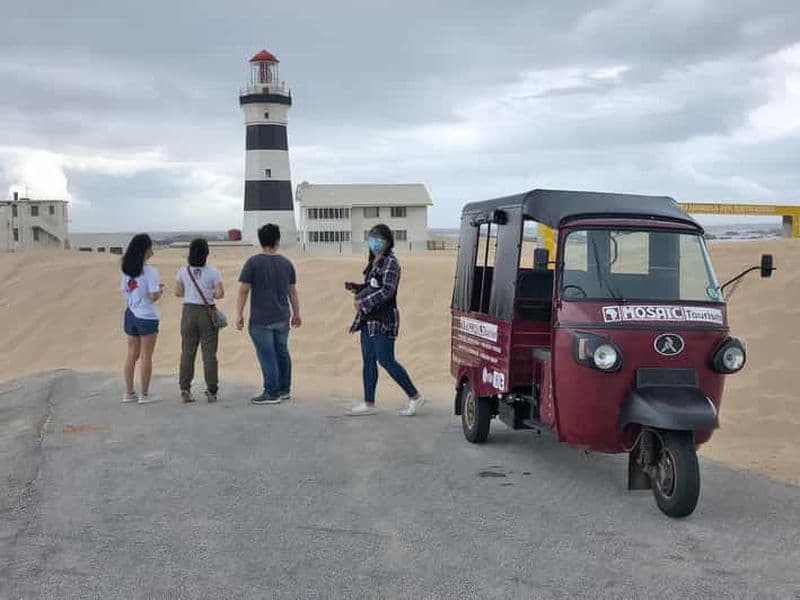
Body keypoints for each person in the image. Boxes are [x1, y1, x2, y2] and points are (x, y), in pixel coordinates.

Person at [346, 224, 424, 416]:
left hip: (384, 319)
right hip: (368, 318)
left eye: (378, 238)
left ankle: (415, 396)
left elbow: (387, 291)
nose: (374, 242)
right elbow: (373, 285)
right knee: (368, 359)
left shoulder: (391, 263)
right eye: (371, 238)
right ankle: (368, 402)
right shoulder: (374, 261)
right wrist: (359, 289)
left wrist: (363, 301)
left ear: (387, 242)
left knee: (386, 359)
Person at [236, 224, 302, 404]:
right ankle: (284, 389)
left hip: (261, 319)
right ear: (277, 241)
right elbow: (292, 292)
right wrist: (296, 313)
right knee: (282, 352)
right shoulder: (286, 263)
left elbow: (243, 290)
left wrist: (239, 314)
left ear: (261, 241)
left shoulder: (253, 263)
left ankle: (272, 392)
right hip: (282, 317)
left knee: (267, 356)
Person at [174, 238, 224, 403]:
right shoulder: (213, 272)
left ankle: (185, 388)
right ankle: (211, 390)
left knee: (187, 352)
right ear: (206, 253)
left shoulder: (183, 271)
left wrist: (191, 292)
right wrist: (209, 292)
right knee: (209, 354)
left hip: (188, 311)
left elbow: (178, 292)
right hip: (207, 311)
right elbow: (220, 293)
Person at [120, 233, 163, 404]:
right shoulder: (150, 271)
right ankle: (144, 394)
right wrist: (160, 291)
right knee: (146, 356)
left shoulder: (126, 269)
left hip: (131, 313)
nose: (152, 251)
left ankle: (129, 392)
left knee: (131, 354)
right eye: (150, 248)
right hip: (146, 316)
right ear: (144, 250)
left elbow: (125, 291)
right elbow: (153, 296)